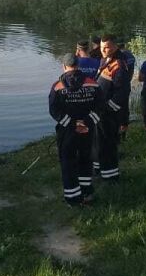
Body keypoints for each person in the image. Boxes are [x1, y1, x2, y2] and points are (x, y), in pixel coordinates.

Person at [49, 54, 103, 206]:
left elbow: (54, 110)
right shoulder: (92, 83)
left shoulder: (57, 86)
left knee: (68, 162)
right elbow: (100, 106)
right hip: (87, 129)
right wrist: (87, 122)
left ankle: (73, 199)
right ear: (78, 65)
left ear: (64, 66)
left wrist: (72, 124)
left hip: (67, 131)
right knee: (85, 159)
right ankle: (86, 194)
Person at [96, 34, 130, 182]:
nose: (104, 50)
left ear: (115, 47)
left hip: (109, 114)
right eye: (102, 47)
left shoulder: (119, 65)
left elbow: (123, 92)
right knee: (99, 141)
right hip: (101, 111)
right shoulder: (106, 59)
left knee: (109, 143)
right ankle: (99, 168)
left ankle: (110, 177)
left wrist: (108, 108)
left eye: (107, 47)